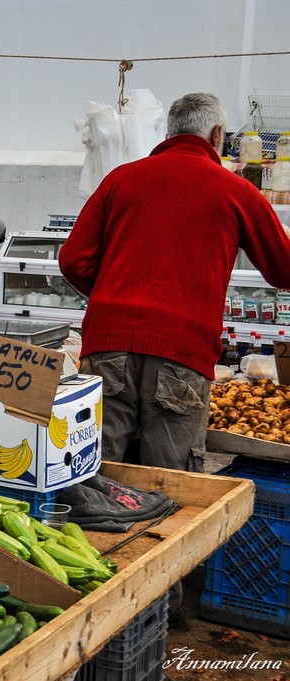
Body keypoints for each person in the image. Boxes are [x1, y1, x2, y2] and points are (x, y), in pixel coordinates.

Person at [59, 92, 290, 625]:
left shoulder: (121, 179)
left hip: (107, 345)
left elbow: (72, 259)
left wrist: (115, 296)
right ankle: (163, 610)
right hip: (183, 355)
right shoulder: (235, 189)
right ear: (215, 137)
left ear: (170, 130)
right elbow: (282, 269)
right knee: (171, 479)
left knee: (96, 469)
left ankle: (88, 599)